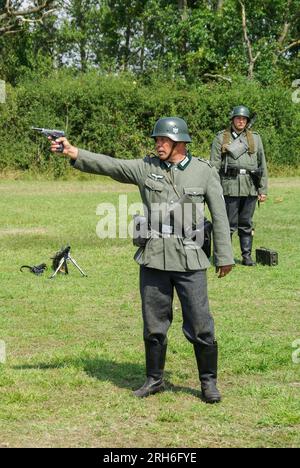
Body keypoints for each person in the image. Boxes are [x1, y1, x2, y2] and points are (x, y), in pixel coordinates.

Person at [50, 117, 234, 403]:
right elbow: (111, 165)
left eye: (163, 140)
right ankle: (154, 379)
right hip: (154, 257)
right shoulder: (145, 167)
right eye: (156, 140)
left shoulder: (203, 171)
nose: (158, 144)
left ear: (180, 143)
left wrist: (224, 256)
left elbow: (220, 216)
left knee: (200, 325)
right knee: (154, 325)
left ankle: (208, 383)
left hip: (190, 259)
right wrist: (74, 153)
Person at [210, 105, 268, 266]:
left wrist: (262, 189)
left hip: (250, 186)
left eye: (244, 119)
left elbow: (261, 164)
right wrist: (212, 189)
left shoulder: (255, 138)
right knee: (227, 225)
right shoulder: (221, 138)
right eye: (238, 118)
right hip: (229, 186)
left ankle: (246, 256)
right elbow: (214, 166)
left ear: (247, 121)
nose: (241, 121)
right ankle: (224, 257)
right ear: (232, 119)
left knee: (246, 224)